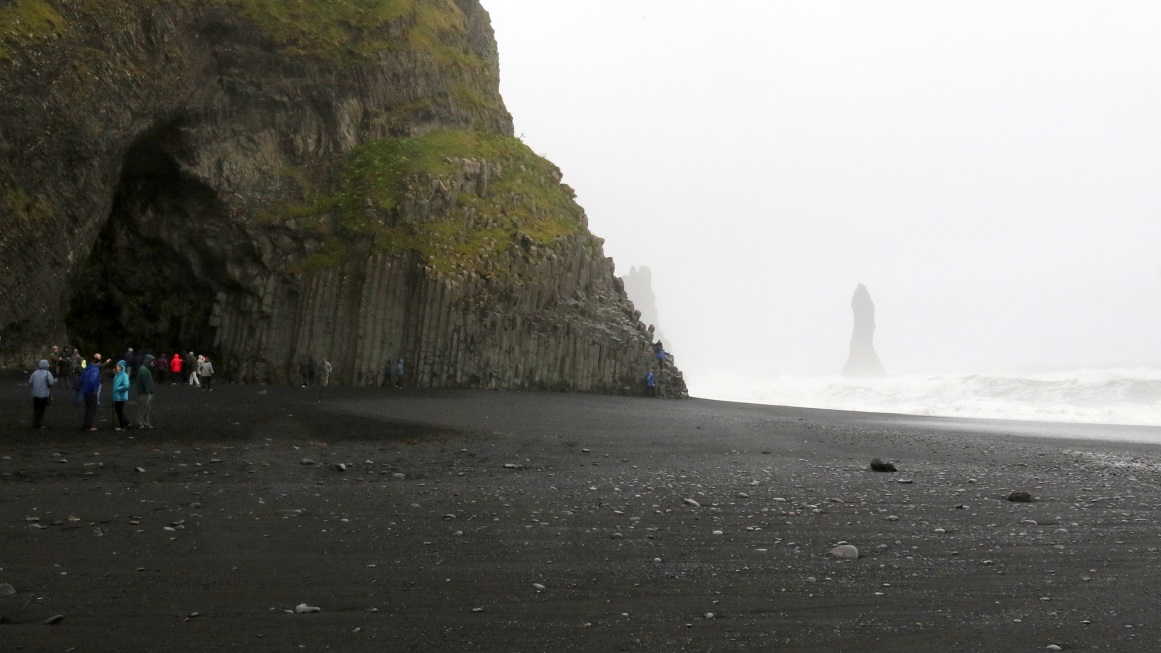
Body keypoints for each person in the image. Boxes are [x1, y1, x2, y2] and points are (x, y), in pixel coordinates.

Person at [29, 359, 56, 429]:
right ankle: (38, 424)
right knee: (41, 410)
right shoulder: (47, 373)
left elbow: (30, 382)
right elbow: (51, 383)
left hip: (35, 394)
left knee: (36, 409)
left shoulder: (35, 373)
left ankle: (34, 423)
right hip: (43, 395)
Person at [79, 355, 102, 431]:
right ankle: (89, 425)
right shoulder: (95, 369)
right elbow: (92, 380)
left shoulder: (86, 368)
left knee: (87, 408)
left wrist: (84, 387)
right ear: (98, 363)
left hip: (85, 391)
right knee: (93, 408)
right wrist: (94, 389)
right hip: (91, 391)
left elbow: (81, 379)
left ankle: (84, 424)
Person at [136, 354, 155, 429]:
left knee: (146, 407)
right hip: (144, 393)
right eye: (151, 362)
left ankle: (144, 421)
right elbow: (145, 383)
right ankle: (140, 422)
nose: (153, 363)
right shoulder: (144, 370)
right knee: (144, 407)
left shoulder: (144, 369)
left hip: (146, 392)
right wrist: (148, 392)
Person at [112, 360, 130, 430]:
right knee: (118, 410)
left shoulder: (124, 376)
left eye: (119, 367)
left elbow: (126, 386)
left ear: (122, 367)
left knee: (119, 410)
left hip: (121, 396)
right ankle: (126, 422)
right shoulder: (117, 374)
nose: (117, 368)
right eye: (117, 366)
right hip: (117, 395)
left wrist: (118, 389)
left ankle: (122, 426)